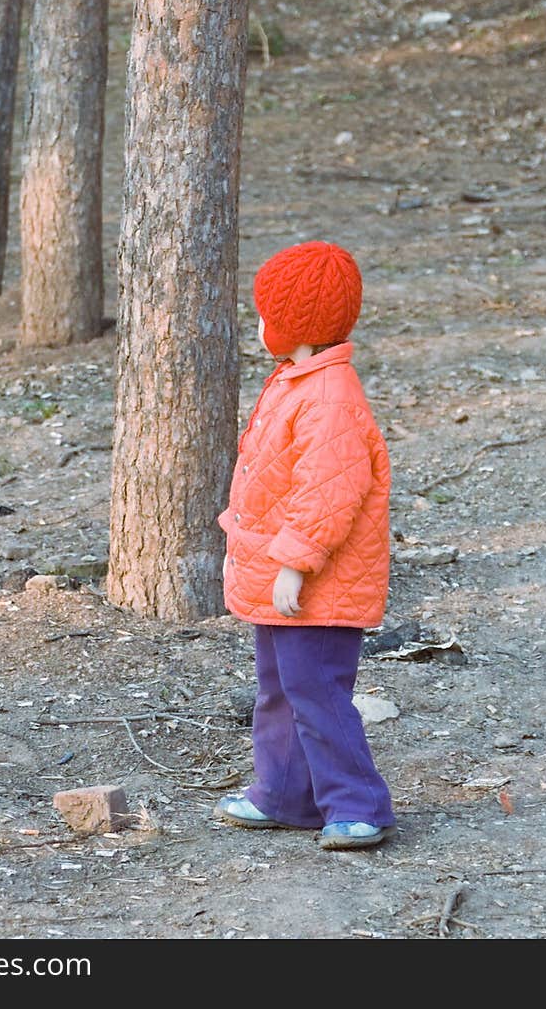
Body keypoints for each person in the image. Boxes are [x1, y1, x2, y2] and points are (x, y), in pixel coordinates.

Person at [216, 240, 396, 850]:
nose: (260, 323)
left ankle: (358, 804)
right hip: (282, 579)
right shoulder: (296, 382)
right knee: (278, 691)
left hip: (316, 585)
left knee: (318, 694)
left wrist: (293, 564)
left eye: (266, 312)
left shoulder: (330, 397)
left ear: (294, 323)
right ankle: (285, 794)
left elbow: (328, 494)